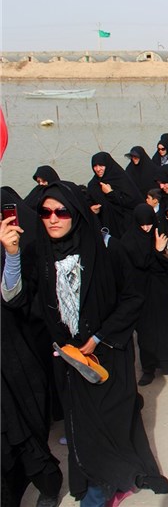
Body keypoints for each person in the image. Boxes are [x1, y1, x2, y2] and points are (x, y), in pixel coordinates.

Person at [0, 181, 168, 506]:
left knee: (113, 419)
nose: (52, 218)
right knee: (86, 429)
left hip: (108, 354)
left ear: (76, 213)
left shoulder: (107, 250)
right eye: (45, 212)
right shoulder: (38, 255)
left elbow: (133, 298)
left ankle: (107, 486)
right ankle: (99, 487)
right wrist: (11, 256)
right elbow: (16, 299)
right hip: (70, 361)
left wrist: (98, 337)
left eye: (61, 211)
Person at [1, 187, 63, 507]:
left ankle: (49, 486)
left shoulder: (21, 247)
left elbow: (14, 298)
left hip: (17, 355)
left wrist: (11, 254)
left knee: (26, 429)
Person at [121, 204, 168, 386]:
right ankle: (148, 369)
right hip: (142, 293)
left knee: (167, 328)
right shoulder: (128, 241)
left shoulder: (160, 234)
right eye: (142, 225)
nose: (146, 228)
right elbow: (139, 264)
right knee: (146, 332)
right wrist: (157, 251)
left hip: (161, 290)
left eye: (149, 224)